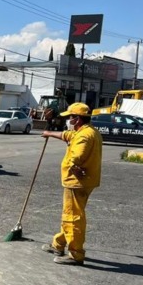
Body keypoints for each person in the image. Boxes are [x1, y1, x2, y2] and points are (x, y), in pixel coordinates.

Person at [40, 102, 102, 266]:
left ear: (78, 119)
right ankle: (58, 244)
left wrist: (74, 167)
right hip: (86, 181)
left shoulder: (83, 136)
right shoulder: (89, 131)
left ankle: (76, 254)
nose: (68, 120)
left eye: (70, 117)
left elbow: (77, 156)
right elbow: (67, 135)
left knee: (72, 217)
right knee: (70, 213)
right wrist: (49, 133)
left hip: (76, 183)